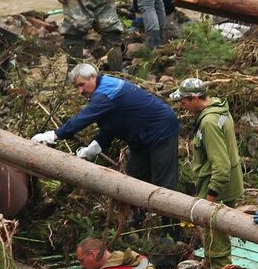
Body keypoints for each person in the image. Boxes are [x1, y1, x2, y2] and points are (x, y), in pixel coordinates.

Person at [30, 62, 180, 193]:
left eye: (82, 85)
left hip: (161, 130)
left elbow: (83, 118)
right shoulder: (102, 93)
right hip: (140, 136)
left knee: (163, 183)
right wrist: (96, 146)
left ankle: (170, 225)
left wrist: (54, 135)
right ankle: (139, 219)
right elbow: (110, 125)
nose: (80, 91)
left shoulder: (106, 91)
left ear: (93, 77)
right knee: (136, 177)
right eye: (77, 87)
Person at [170, 77, 242, 269]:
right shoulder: (219, 110)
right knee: (214, 241)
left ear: (194, 98)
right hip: (225, 185)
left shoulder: (209, 123)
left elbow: (221, 165)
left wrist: (210, 197)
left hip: (218, 189)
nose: (182, 105)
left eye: (183, 101)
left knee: (217, 247)